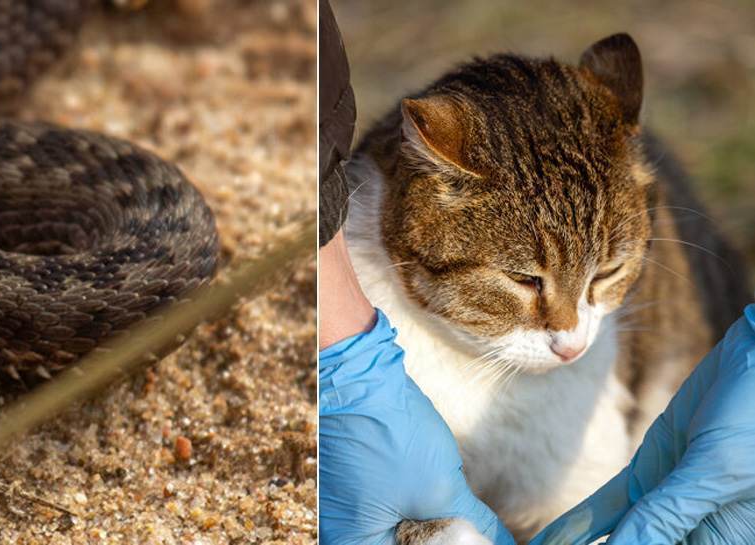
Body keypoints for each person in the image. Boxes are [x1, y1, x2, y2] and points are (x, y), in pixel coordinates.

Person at [317, 1, 755, 543]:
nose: (573, 338)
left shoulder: (588, 318)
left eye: (606, 276)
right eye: (527, 281)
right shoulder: (363, 240)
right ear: (428, 195)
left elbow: (578, 497)